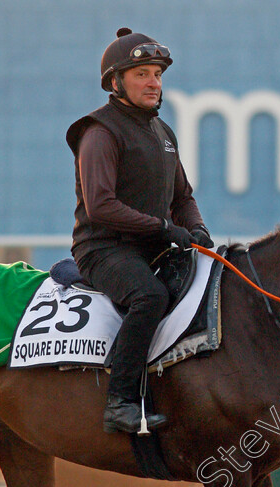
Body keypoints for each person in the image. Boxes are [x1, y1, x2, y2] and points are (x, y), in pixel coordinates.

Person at [65, 27, 214, 434]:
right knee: (150, 296)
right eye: (142, 74)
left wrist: (197, 229)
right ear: (116, 82)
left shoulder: (164, 134)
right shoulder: (99, 131)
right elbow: (101, 206)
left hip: (152, 249)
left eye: (158, 74)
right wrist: (165, 229)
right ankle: (120, 402)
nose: (154, 83)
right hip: (103, 250)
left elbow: (183, 197)